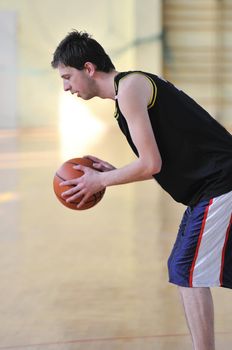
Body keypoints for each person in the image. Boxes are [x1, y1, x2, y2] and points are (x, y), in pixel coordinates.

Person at [51, 30, 232, 350]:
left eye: (68, 76)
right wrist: (112, 172)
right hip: (211, 187)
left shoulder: (130, 88)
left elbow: (152, 164)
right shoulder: (130, 92)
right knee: (193, 270)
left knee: (185, 270)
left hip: (220, 185)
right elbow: (165, 161)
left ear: (89, 68)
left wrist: (100, 181)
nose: (66, 87)